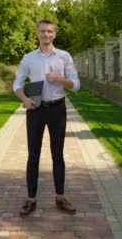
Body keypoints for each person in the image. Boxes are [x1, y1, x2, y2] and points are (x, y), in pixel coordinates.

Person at [12, 19, 80, 216]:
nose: (46, 35)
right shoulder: (29, 58)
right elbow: (16, 84)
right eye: (43, 31)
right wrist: (24, 99)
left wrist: (59, 79)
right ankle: (31, 199)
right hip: (35, 110)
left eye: (50, 31)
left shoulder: (64, 57)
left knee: (57, 155)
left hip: (57, 109)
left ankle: (60, 197)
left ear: (54, 34)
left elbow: (76, 85)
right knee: (33, 156)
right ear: (37, 33)